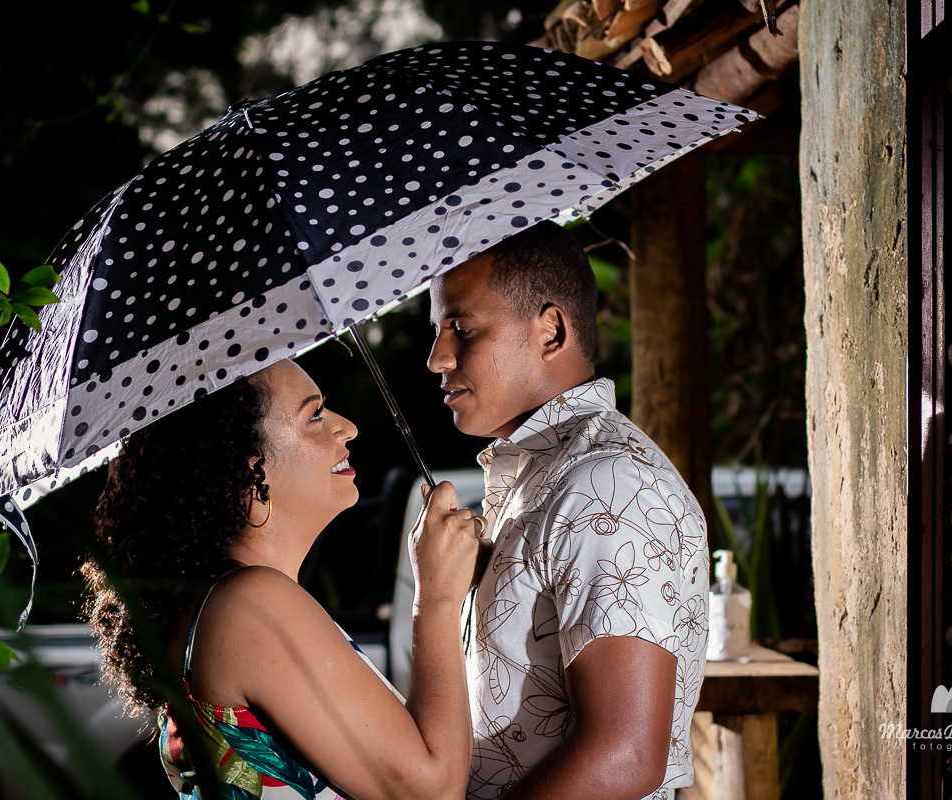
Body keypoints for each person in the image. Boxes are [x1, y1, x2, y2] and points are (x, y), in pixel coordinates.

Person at [81, 359, 484, 800]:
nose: (346, 427)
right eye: (314, 415)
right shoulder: (251, 605)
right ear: (247, 469)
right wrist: (438, 598)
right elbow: (434, 791)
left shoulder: (227, 603)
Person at [426, 220, 710, 800]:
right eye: (438, 331)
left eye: (461, 328)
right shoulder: (547, 476)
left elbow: (625, 756)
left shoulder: (606, 482)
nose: (437, 358)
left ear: (551, 330)